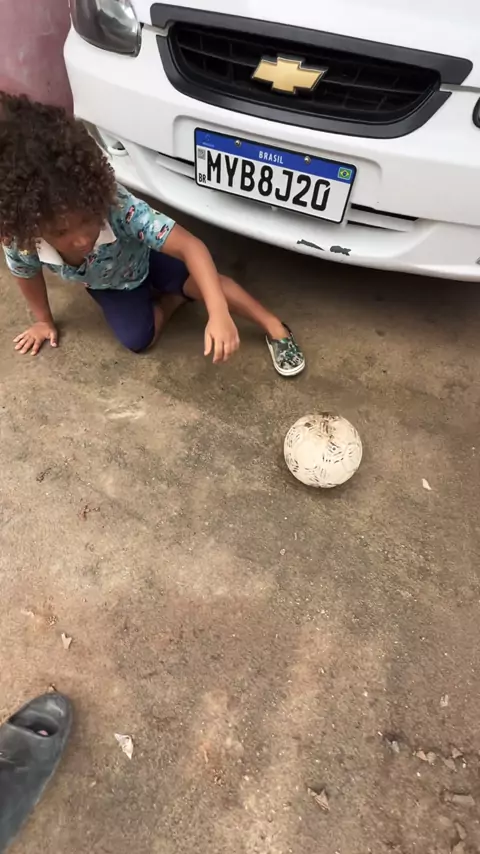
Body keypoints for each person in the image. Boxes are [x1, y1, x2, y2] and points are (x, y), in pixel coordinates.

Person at [0, 93, 305, 376]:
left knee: (208, 283)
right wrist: (43, 321)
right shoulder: (21, 239)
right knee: (138, 340)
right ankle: (175, 298)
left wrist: (218, 314)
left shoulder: (117, 207)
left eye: (88, 219)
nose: (81, 239)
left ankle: (275, 327)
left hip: (148, 255)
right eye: (61, 231)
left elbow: (191, 246)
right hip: (111, 285)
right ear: (30, 226)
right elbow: (25, 273)